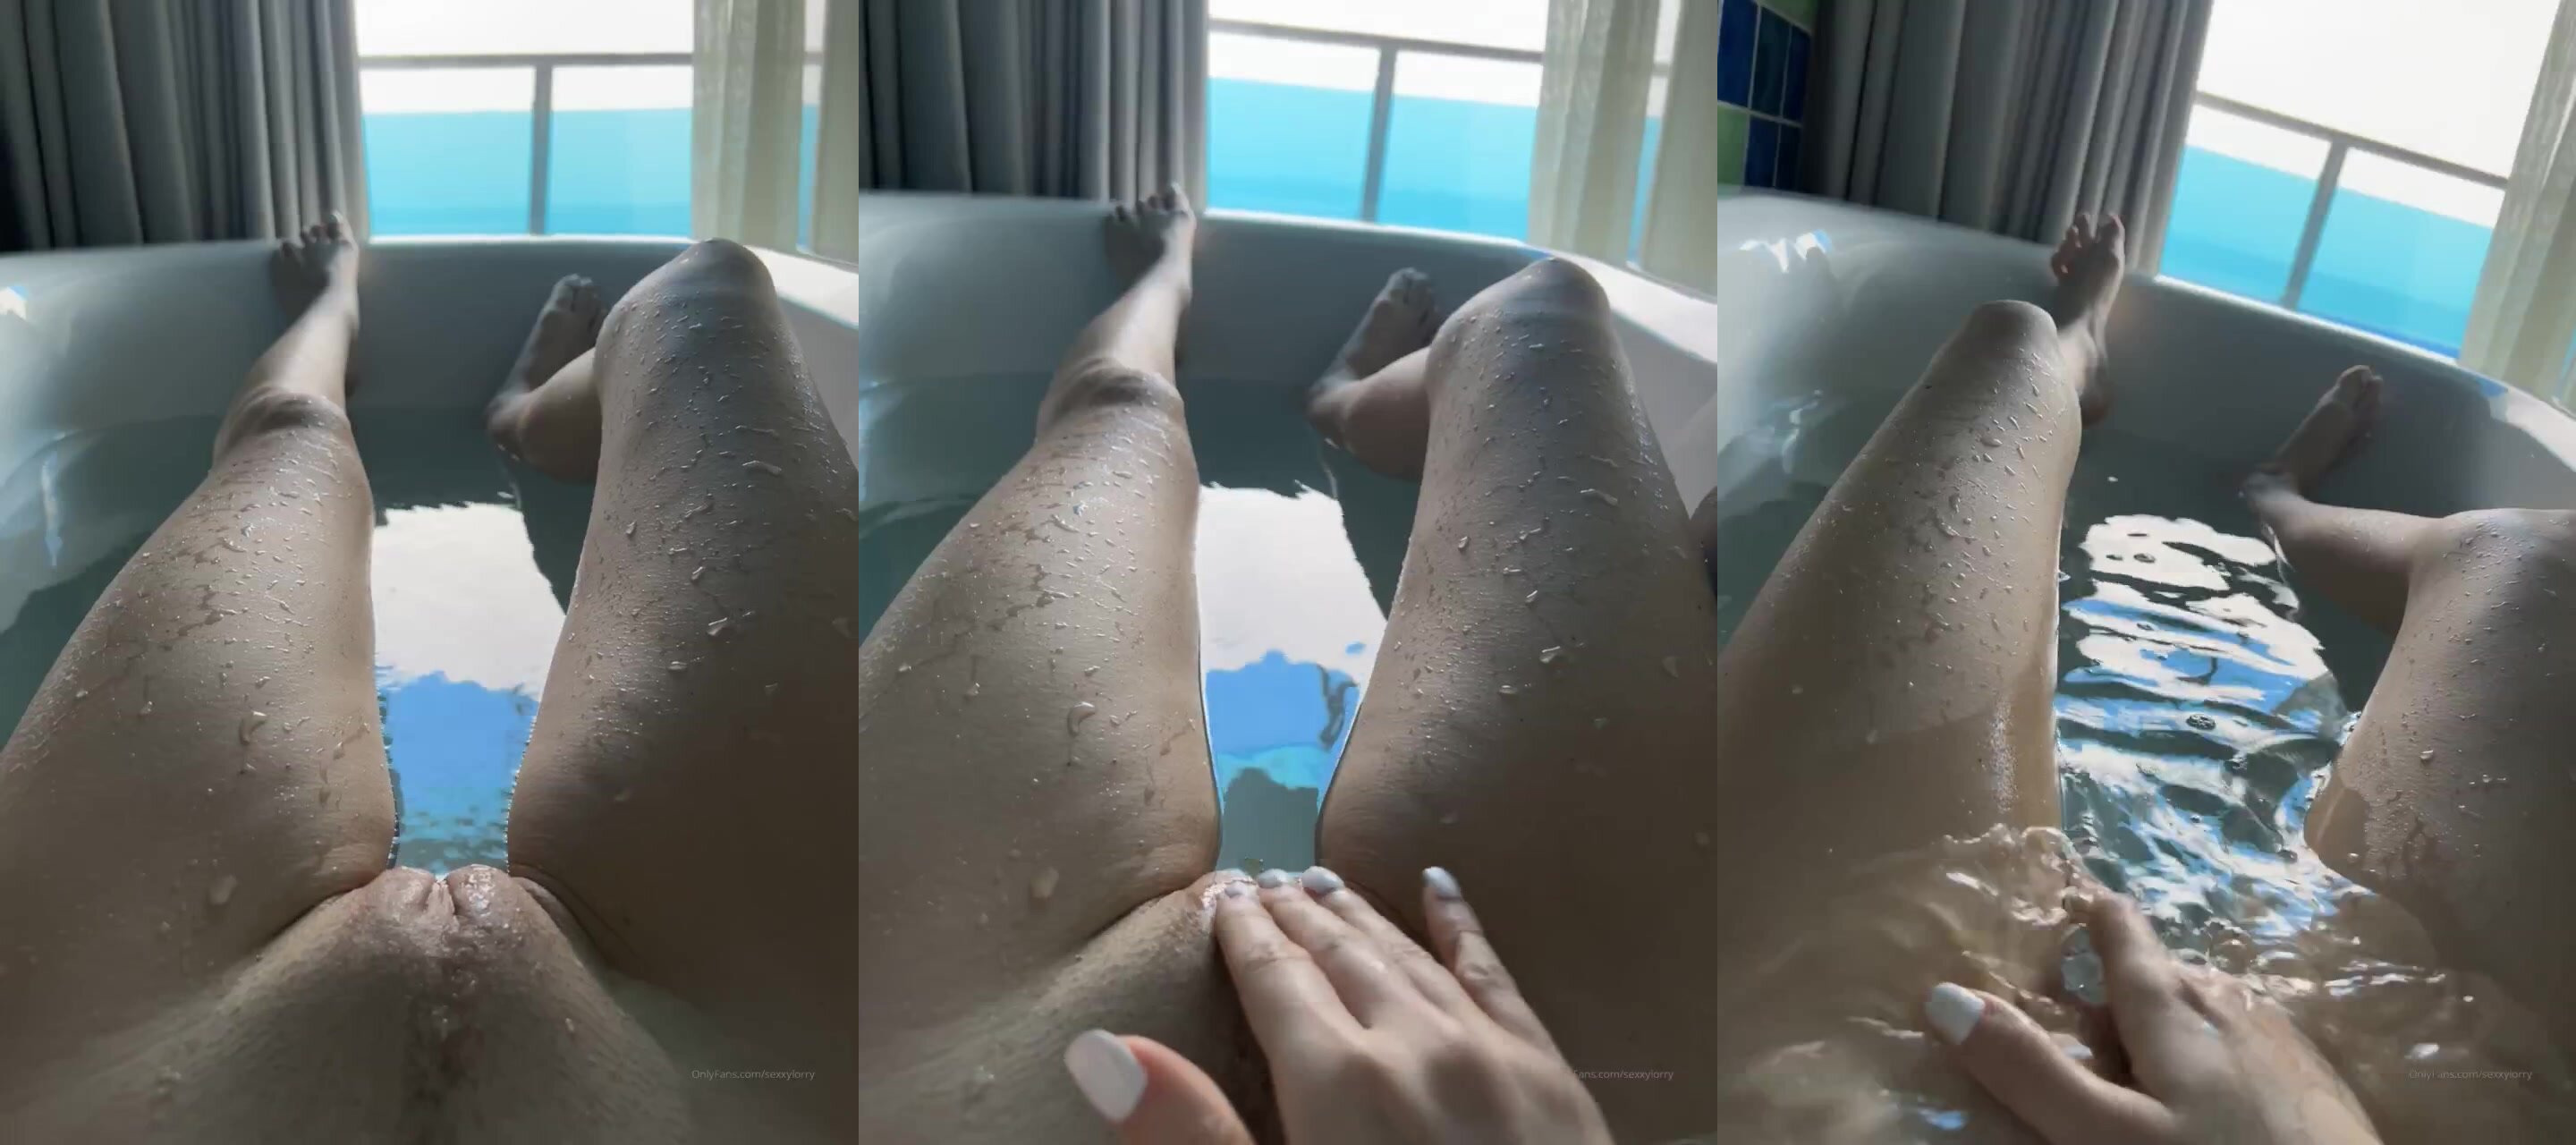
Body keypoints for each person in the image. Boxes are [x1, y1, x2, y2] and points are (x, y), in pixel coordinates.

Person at [0, 216, 857, 1140]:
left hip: (78, 1073)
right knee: (705, 296)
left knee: (289, 432)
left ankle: (348, 315)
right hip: (776, 1068)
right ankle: (515, 416)